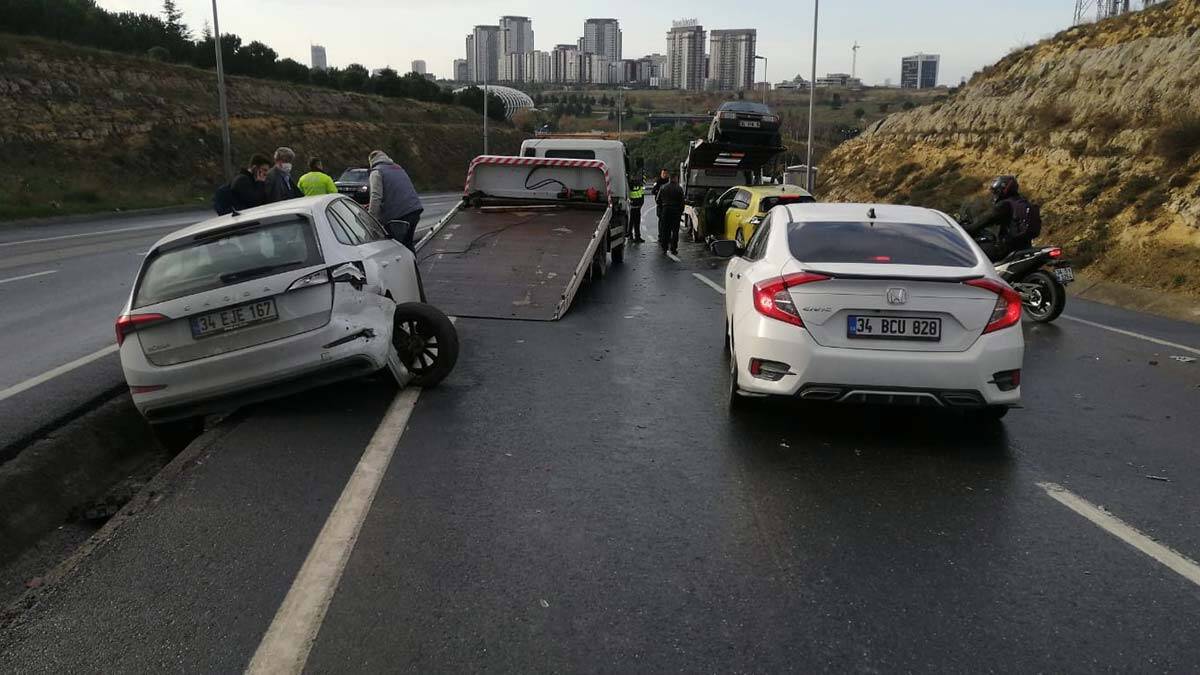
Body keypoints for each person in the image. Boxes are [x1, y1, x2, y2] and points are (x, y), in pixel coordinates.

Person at [964, 175, 1036, 262]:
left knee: (972, 254)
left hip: (1005, 248)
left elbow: (985, 220)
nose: (994, 195)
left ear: (1001, 191)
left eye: (995, 192)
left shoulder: (1004, 205)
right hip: (1026, 246)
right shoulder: (1022, 203)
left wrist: (966, 229)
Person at [367, 150, 423, 250]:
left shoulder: (376, 172)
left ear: (371, 161)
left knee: (395, 248)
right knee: (408, 245)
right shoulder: (398, 168)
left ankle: (403, 265)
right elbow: (396, 191)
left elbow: (376, 197)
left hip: (400, 215)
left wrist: (371, 221)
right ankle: (412, 264)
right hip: (415, 210)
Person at [656, 172, 685, 255]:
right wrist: (680, 211)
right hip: (676, 211)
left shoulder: (663, 187)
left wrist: (662, 208)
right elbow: (682, 202)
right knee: (675, 231)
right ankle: (673, 248)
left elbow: (658, 200)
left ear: (669, 178)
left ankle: (664, 248)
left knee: (665, 230)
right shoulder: (679, 188)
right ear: (675, 178)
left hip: (666, 210)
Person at [628, 177, 646, 243]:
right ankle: (637, 236)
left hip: (632, 206)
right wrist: (641, 204)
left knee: (632, 222)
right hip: (637, 206)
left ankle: (631, 235)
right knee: (636, 222)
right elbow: (642, 196)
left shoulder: (629, 185)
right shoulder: (640, 185)